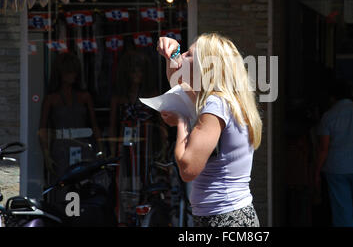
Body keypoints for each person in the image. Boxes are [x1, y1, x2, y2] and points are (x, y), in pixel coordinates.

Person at [156, 32, 262, 227]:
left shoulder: (215, 104)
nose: (183, 56)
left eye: (189, 54)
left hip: (224, 218)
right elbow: (177, 86)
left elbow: (188, 169)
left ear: (205, 68)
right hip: (228, 215)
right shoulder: (223, 99)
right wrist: (172, 53)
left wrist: (181, 121)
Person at [108, 50, 165, 225]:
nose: (137, 75)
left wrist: (163, 149)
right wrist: (110, 154)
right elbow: (112, 127)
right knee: (123, 184)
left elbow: (162, 125)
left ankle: (145, 219)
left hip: (146, 149)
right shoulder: (119, 97)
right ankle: (124, 220)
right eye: (133, 71)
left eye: (140, 71)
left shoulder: (152, 94)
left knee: (146, 182)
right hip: (124, 150)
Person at [38, 52, 101, 202]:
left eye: (74, 71)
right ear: (60, 73)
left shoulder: (85, 97)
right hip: (60, 149)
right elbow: (42, 129)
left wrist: (101, 149)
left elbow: (94, 125)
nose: (72, 75)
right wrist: (46, 154)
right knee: (63, 188)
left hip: (83, 146)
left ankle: (81, 218)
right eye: (68, 71)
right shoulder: (51, 99)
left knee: (83, 186)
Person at [315, 80, 353, 227]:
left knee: (342, 213)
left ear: (332, 97)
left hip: (337, 168)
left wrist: (316, 172)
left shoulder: (329, 116)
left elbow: (324, 148)